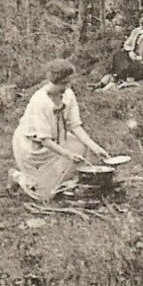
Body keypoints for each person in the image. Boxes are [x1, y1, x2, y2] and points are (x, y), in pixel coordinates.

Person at [11, 58, 111, 202]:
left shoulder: (68, 94)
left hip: (56, 139)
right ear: (57, 80)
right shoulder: (40, 101)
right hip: (32, 146)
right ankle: (17, 177)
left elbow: (75, 125)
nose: (68, 86)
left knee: (80, 146)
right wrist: (68, 154)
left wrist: (95, 147)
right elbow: (44, 140)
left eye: (70, 82)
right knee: (44, 196)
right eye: (65, 82)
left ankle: (61, 182)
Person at [96, 6, 143, 88]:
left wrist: (142, 57)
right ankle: (111, 81)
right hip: (133, 58)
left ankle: (110, 81)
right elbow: (127, 44)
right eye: (142, 16)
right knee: (117, 55)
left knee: (131, 66)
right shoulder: (136, 31)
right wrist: (131, 52)